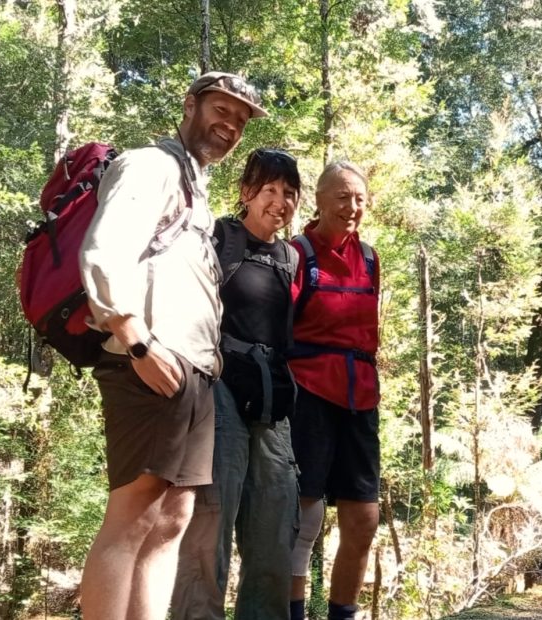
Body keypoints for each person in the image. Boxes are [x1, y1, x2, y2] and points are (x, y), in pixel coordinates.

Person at [77, 71, 267, 620]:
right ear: (189, 106)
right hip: (149, 360)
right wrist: (135, 341)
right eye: (220, 111)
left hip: (191, 371)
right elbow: (104, 249)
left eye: (239, 120)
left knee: (171, 518)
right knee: (133, 515)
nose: (229, 125)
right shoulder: (152, 165)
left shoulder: (194, 187)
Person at [172, 148, 302, 620]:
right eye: (270, 190)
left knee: (273, 532)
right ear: (247, 192)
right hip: (218, 394)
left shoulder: (289, 257)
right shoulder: (219, 237)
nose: (280, 201)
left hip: (272, 403)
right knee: (209, 528)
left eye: (289, 193)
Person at [287, 161, 381, 620]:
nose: (352, 207)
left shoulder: (369, 258)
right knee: (304, 518)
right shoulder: (297, 254)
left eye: (359, 198)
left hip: (361, 398)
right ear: (320, 200)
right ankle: (293, 612)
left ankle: (343, 614)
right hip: (309, 395)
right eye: (342, 197)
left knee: (363, 521)